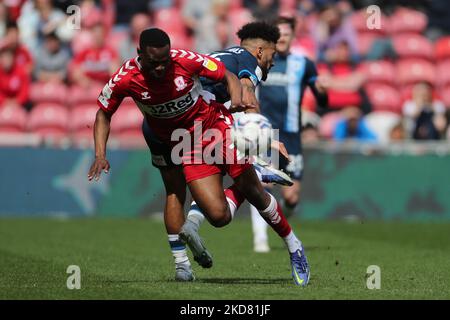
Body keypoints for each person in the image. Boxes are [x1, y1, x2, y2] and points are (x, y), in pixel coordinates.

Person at [88, 27, 310, 286]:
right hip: (188, 145)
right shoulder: (125, 78)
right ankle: (254, 173)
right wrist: (100, 154)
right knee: (218, 217)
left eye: (164, 62)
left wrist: (239, 105)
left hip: (216, 125)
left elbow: (229, 76)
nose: (161, 68)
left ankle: (294, 248)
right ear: (140, 54)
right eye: (154, 63)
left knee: (256, 194)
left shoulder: (184, 60)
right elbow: (103, 113)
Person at [249, 16, 328, 253]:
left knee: (292, 197)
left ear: (294, 36)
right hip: (265, 132)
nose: (282, 37)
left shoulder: (304, 63)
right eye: (278, 32)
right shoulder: (260, 60)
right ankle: (260, 238)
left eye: (286, 33)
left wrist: (323, 93)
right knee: (262, 186)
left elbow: (323, 100)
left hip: (292, 135)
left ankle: (281, 216)